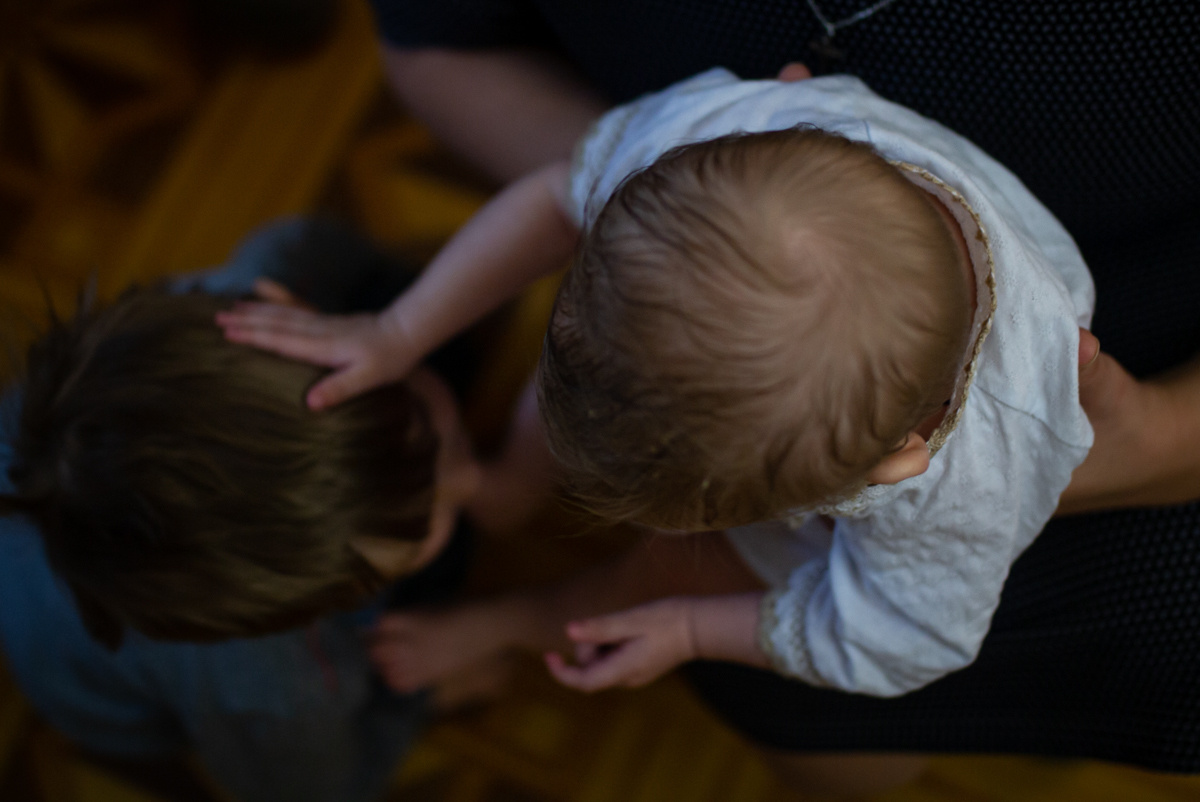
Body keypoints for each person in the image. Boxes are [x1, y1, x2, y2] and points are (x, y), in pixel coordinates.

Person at [218, 62, 1096, 699]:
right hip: (791, 350)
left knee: (669, 570)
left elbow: (900, 641)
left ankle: (523, 621)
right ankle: (511, 485)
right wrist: (397, 328)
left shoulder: (958, 490)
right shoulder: (705, 151)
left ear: (894, 463)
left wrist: (687, 628)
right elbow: (557, 198)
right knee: (621, 372)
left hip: (915, 425)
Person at [0, 220, 534, 802]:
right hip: (114, 694)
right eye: (427, 515)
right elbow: (325, 788)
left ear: (287, 306)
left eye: (446, 439)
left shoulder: (282, 264)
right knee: (419, 625)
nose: (475, 481)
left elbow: (328, 244)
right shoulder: (281, 682)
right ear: (313, 607)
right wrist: (415, 701)